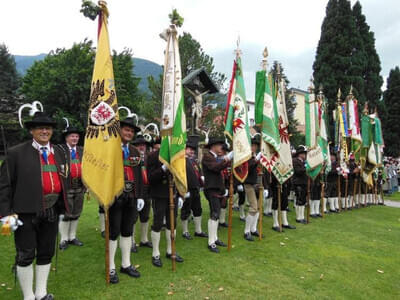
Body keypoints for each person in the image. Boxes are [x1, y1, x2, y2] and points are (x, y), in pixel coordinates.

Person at [0, 111, 68, 300]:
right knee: (26, 254)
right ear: (32, 131)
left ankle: (41, 293)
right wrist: (5, 215)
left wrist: (63, 207)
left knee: (46, 252)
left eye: (48, 128)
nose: (45, 131)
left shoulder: (60, 153)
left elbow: (64, 180)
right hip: (25, 212)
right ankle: (28, 296)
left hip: (52, 210)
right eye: (40, 128)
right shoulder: (16, 153)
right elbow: (3, 186)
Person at [108, 117, 144, 284]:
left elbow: (139, 177)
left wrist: (140, 196)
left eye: (132, 131)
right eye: (126, 130)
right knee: (113, 232)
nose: (129, 133)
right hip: (114, 197)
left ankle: (126, 264)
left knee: (127, 230)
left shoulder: (135, 152)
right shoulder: (109, 149)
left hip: (131, 197)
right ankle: (111, 267)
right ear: (119, 131)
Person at [147, 142, 184, 267]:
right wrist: (163, 168)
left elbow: (180, 176)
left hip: (173, 194)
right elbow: (150, 178)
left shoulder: (176, 155)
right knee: (157, 223)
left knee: (172, 223)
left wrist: (180, 194)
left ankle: (170, 250)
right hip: (159, 194)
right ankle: (155, 253)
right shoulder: (153, 156)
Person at [57, 125, 86, 250]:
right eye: (72, 136)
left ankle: (72, 237)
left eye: (77, 136)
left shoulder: (82, 150)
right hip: (66, 186)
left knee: (76, 212)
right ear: (66, 138)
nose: (75, 138)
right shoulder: (60, 150)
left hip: (80, 186)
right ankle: (63, 239)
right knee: (66, 213)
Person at [202, 137, 232, 253]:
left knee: (217, 213)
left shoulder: (215, 157)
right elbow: (216, 168)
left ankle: (215, 238)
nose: (221, 148)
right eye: (219, 145)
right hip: (211, 188)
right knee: (214, 214)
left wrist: (223, 188)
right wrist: (228, 158)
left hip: (217, 188)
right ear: (213, 146)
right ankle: (211, 242)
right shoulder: (207, 157)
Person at [181, 136, 208, 240]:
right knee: (186, 210)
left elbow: (199, 171)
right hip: (187, 189)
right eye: (190, 149)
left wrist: (201, 179)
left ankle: (198, 230)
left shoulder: (194, 161)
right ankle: (185, 231)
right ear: (184, 149)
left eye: (193, 149)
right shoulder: (181, 160)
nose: (192, 151)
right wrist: (184, 190)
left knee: (198, 209)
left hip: (196, 188)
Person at [130, 135, 152, 253]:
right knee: (133, 217)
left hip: (147, 191)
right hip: (135, 191)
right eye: (139, 145)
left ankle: (144, 239)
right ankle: (131, 241)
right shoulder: (131, 157)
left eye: (143, 145)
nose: (142, 147)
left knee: (145, 216)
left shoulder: (149, 157)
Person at [243, 136, 263, 241]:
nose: (254, 147)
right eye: (252, 145)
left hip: (256, 183)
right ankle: (246, 231)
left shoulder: (254, 156)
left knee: (258, 207)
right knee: (253, 207)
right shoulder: (246, 156)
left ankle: (253, 228)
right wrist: (256, 159)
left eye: (255, 146)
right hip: (248, 183)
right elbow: (248, 167)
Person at [292, 146, 308, 223]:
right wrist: (305, 168)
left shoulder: (303, 162)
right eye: (303, 154)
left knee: (303, 200)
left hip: (304, 182)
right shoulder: (295, 161)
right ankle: (298, 217)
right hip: (298, 182)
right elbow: (298, 171)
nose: (305, 155)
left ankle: (302, 216)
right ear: (299, 154)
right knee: (299, 199)